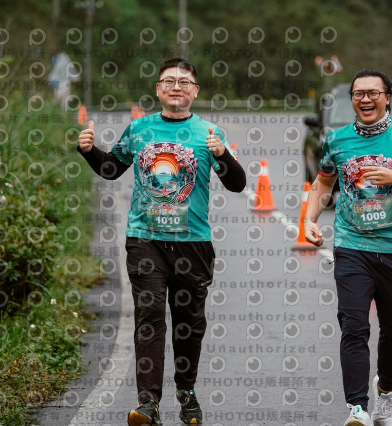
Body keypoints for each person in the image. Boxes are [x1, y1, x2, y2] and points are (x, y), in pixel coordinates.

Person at [77, 58, 246, 426]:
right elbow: (111, 169)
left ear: (195, 91)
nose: (176, 87)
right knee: (149, 317)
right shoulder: (140, 129)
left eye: (184, 82)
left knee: (189, 325)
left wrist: (222, 154)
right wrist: (89, 150)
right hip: (145, 240)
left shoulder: (209, 132)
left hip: (193, 243)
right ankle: (148, 403)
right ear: (158, 89)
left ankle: (186, 393)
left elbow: (237, 184)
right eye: (169, 81)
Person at [303, 69, 392, 426]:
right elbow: (323, 183)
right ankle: (357, 408)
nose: (365, 99)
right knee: (354, 327)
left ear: (387, 98)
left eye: (373, 93)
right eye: (358, 93)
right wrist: (309, 219)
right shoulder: (337, 139)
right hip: (352, 246)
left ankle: (386, 391)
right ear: (352, 99)